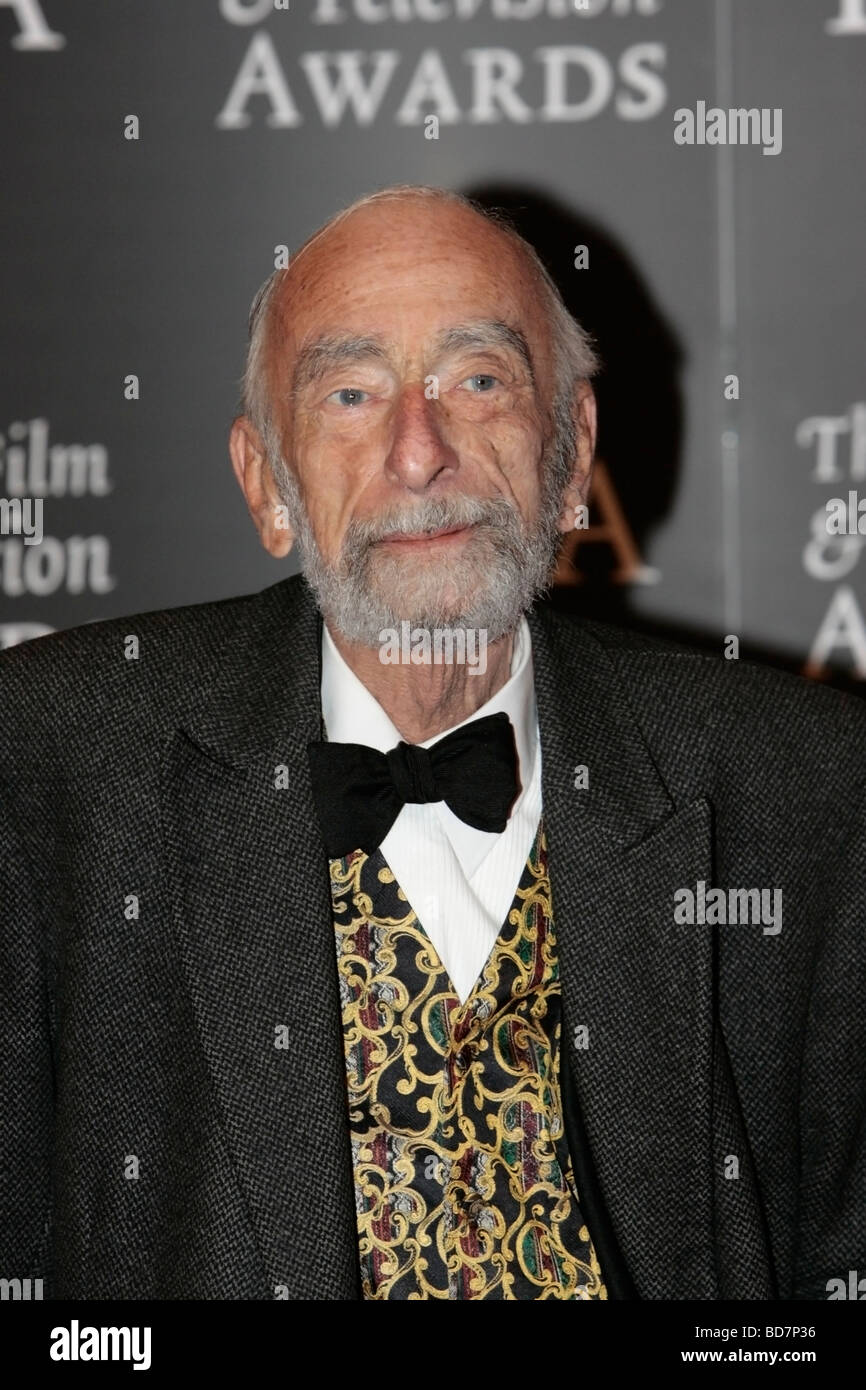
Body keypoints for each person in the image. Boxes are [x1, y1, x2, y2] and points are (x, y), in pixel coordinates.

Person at [1, 185, 864, 1302]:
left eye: (477, 380)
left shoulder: (802, 787)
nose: (419, 451)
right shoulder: (48, 764)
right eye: (351, 393)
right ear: (267, 485)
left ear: (570, 452)